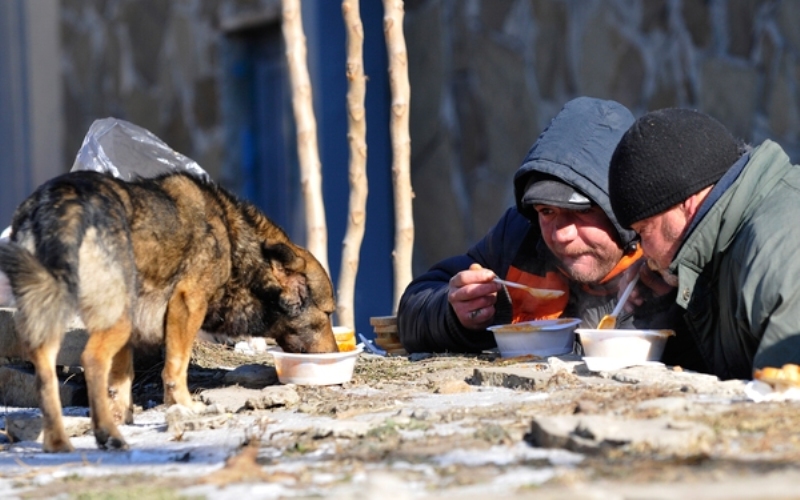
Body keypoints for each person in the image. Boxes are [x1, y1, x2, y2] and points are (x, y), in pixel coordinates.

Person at [398, 97, 698, 364]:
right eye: (547, 211)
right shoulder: (519, 239)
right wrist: (454, 314)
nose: (560, 234)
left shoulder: (667, 252)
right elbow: (413, 309)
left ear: (622, 210)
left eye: (582, 212)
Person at [608, 107, 800, 380]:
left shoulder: (776, 259)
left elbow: (779, 408)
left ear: (686, 202)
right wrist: (672, 306)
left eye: (643, 232)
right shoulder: (728, 241)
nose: (643, 251)